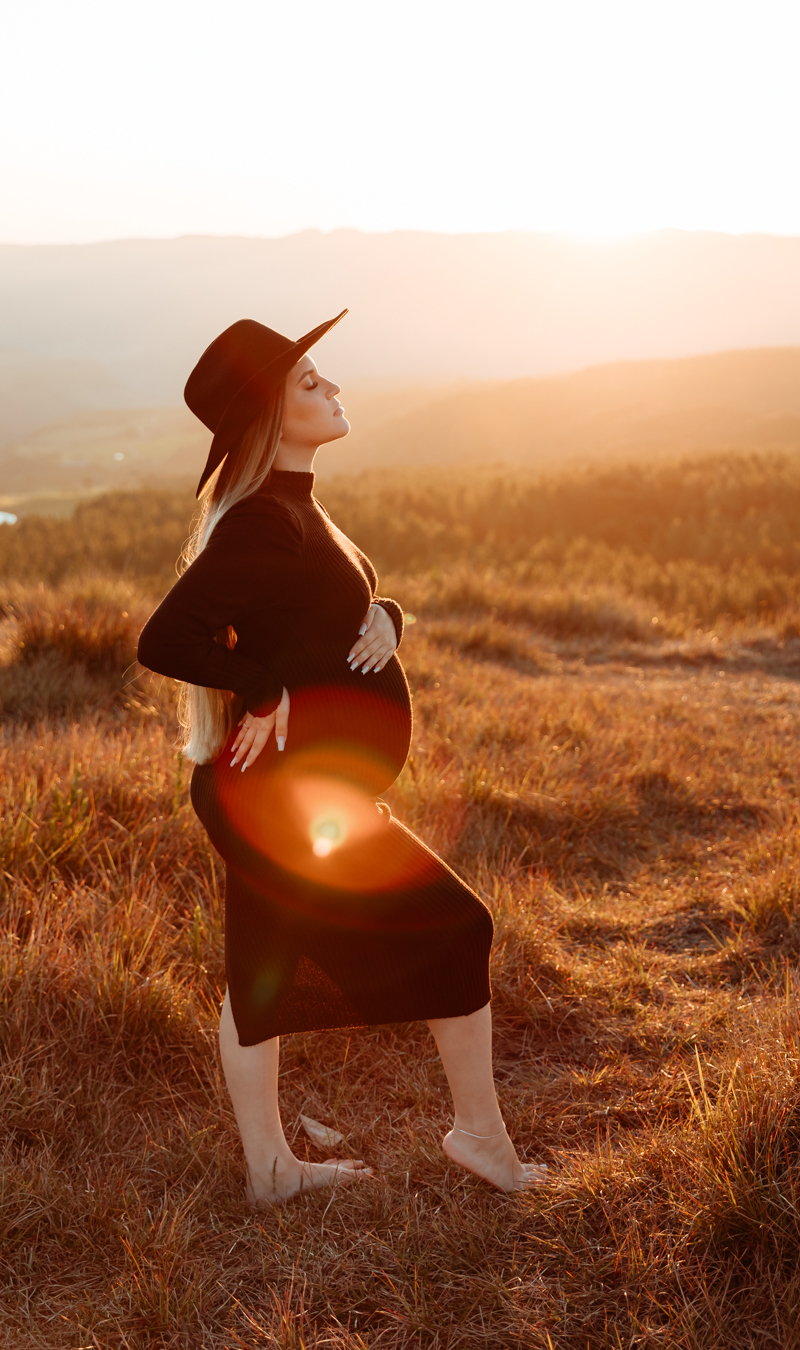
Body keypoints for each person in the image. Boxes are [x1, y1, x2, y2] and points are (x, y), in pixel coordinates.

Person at [137, 312, 547, 1204]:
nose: (333, 389)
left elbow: (328, 608)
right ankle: (479, 1139)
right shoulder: (264, 522)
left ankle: (271, 1171)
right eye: (309, 384)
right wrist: (261, 690)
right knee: (459, 926)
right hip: (278, 795)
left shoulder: (294, 506)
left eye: (324, 376)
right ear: (271, 418)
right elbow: (165, 637)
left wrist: (388, 617)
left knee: (261, 966)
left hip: (282, 792)